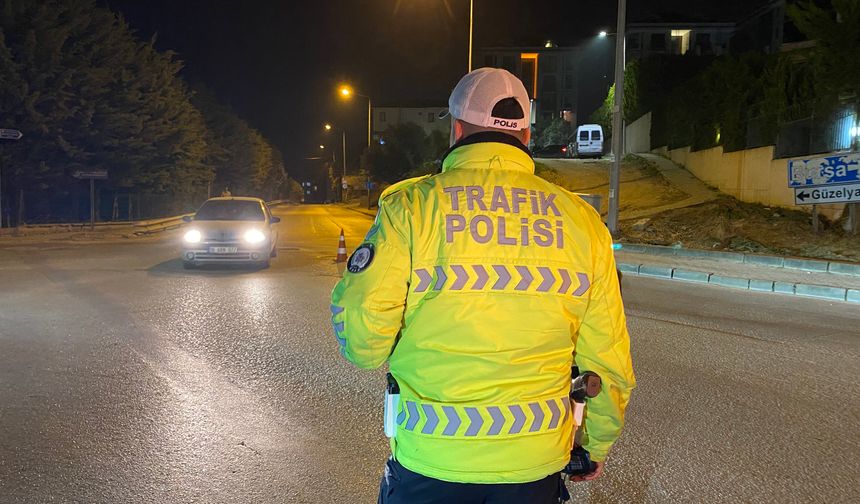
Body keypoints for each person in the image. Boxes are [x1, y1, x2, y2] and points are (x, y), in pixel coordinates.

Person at [330, 68, 635, 503]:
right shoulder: (582, 223)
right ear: (526, 135)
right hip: (534, 466)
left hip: (430, 460)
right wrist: (595, 443)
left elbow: (363, 342)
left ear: (456, 129)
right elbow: (608, 361)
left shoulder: (410, 208)